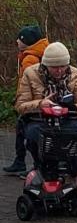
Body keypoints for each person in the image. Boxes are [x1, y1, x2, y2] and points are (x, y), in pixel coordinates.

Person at [15, 42, 77, 170]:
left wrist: (70, 109)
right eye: (54, 67)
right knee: (36, 135)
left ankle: (73, 170)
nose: (59, 71)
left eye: (63, 66)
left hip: (69, 119)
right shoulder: (30, 74)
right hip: (39, 120)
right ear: (45, 65)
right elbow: (20, 105)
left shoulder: (74, 74)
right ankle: (41, 167)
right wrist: (40, 104)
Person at [4, 24, 49, 176]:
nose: (17, 41)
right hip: (38, 101)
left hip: (30, 102)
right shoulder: (42, 53)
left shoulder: (30, 58)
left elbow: (28, 82)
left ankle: (22, 162)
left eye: (20, 39)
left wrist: (21, 100)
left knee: (24, 132)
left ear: (27, 41)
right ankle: (22, 161)